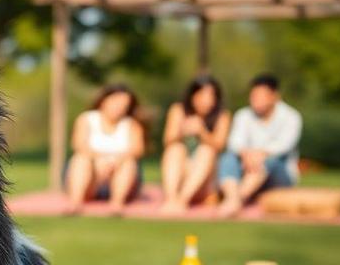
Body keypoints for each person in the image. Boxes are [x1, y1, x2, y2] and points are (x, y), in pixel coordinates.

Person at [215, 74, 302, 217]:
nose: (256, 100)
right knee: (228, 158)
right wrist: (246, 154)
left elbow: (284, 146)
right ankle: (233, 199)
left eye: (262, 96)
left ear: (275, 96)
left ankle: (236, 200)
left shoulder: (291, 117)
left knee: (270, 161)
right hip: (247, 170)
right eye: (254, 96)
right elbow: (234, 143)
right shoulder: (243, 115)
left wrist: (258, 155)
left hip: (279, 176)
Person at [65, 84, 145, 214]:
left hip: (120, 174)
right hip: (92, 177)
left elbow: (138, 150)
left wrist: (116, 161)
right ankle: (75, 203)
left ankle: (117, 204)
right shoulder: (86, 119)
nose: (119, 107)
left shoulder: (132, 124)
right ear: (103, 101)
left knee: (129, 162)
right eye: (116, 102)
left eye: (124, 104)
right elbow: (79, 145)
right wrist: (98, 160)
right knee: (81, 159)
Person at [160, 75, 231, 213]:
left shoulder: (222, 115)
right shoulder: (178, 110)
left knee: (207, 150)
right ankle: (171, 198)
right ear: (192, 95)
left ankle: (182, 201)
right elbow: (167, 141)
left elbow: (220, 146)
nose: (207, 101)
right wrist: (182, 131)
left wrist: (202, 132)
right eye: (202, 95)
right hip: (182, 174)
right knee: (175, 148)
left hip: (207, 182)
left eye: (211, 96)